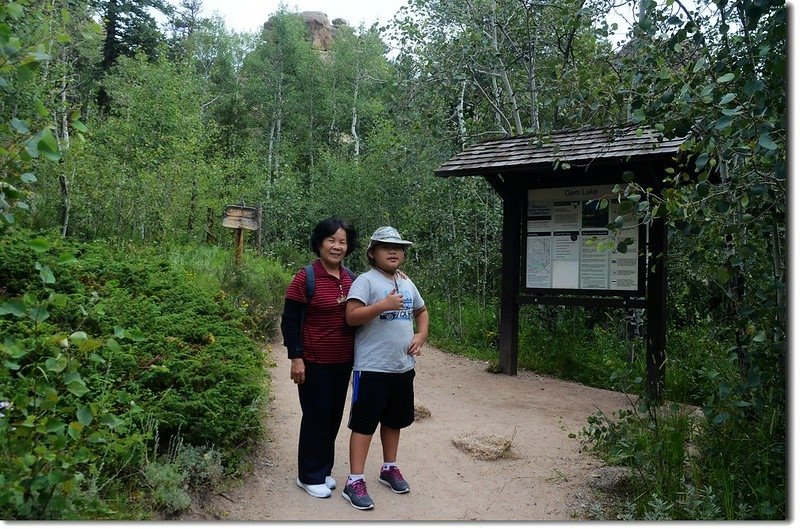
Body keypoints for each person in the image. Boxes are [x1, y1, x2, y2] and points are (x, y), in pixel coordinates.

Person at [341, 226, 429, 510]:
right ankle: (354, 480)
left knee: (394, 421)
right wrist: (383, 305)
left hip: (402, 367)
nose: (393, 251)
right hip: (372, 368)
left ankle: (388, 468)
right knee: (364, 423)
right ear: (372, 253)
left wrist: (421, 335)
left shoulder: (406, 282)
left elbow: (421, 311)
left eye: (398, 247)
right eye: (385, 247)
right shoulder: (365, 282)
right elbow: (352, 317)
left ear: (403, 254)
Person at [280, 217, 358, 499]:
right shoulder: (306, 277)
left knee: (333, 417)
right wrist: (296, 357)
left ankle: (323, 470)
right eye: (331, 240)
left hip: (343, 362)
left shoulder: (351, 278)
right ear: (319, 243)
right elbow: (289, 320)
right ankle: (308, 476)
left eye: (343, 241)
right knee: (315, 416)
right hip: (314, 361)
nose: (337, 246)